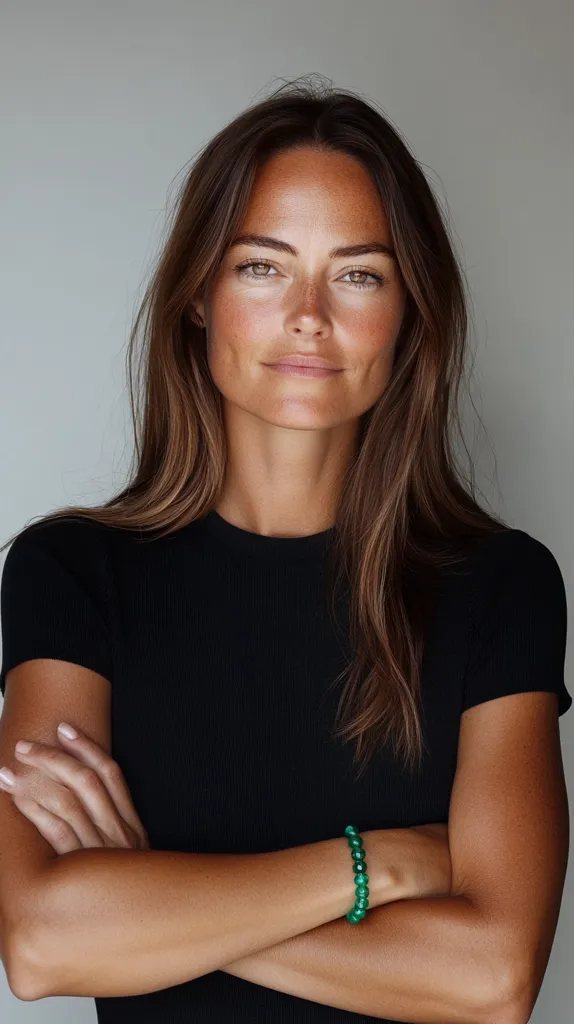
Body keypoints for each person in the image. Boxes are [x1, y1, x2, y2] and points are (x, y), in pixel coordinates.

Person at [0, 76, 571, 1024]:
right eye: (262, 267)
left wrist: (150, 895)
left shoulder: (501, 587)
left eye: (359, 274)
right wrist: (378, 865)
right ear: (199, 295)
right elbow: (41, 943)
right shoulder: (70, 574)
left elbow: (494, 979)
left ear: (410, 310)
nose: (310, 314)